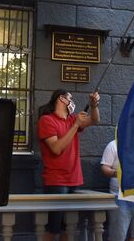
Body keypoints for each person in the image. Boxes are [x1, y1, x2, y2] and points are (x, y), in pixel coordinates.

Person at [38, 89, 100, 241]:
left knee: (68, 229)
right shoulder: (47, 120)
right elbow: (56, 148)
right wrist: (76, 125)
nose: (72, 102)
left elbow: (95, 120)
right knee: (53, 229)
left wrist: (93, 105)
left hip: (73, 179)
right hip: (56, 181)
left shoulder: (72, 119)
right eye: (70, 98)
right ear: (61, 99)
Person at [100, 140, 134, 241]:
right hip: (119, 196)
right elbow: (104, 168)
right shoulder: (113, 145)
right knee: (117, 236)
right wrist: (116, 173)